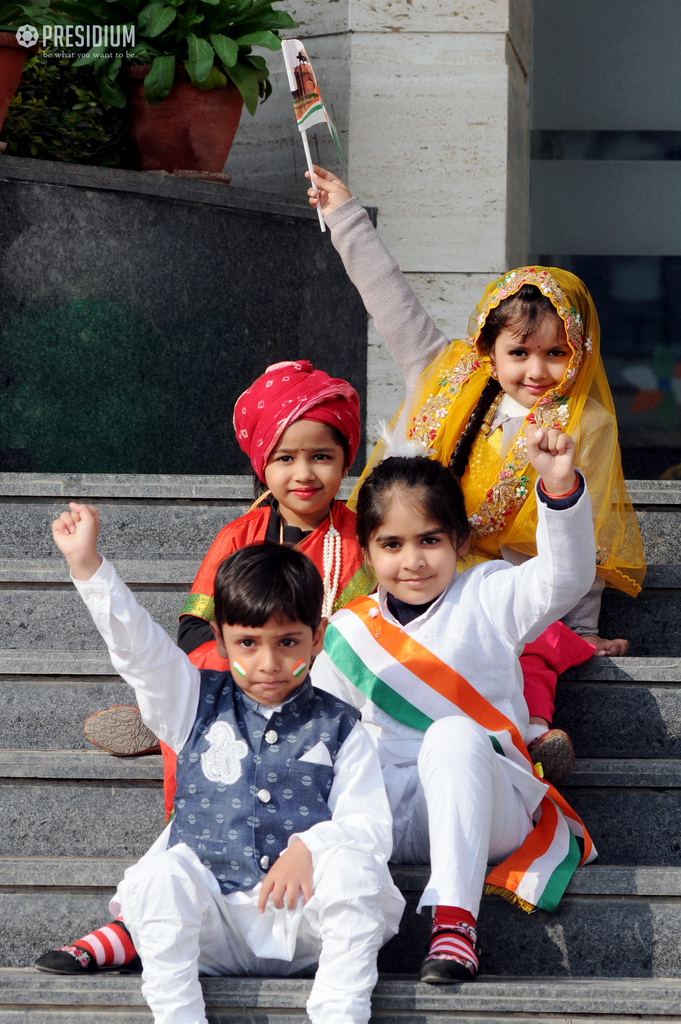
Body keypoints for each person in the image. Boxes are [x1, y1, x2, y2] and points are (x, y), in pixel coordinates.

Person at [305, 165, 646, 784]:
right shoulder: (444, 371)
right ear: (488, 349)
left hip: (502, 589)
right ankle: (230, 712)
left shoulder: (583, 422)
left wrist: (582, 629)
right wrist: (346, 216)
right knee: (327, 627)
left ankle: (531, 739)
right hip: (412, 568)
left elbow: (583, 528)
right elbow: (390, 301)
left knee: (532, 649)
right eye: (519, 352)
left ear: (580, 354)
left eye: (555, 353)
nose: (536, 370)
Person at [38, 360, 378, 977]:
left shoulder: (363, 539)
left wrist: (286, 670)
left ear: (346, 458)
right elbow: (195, 627)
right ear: (262, 464)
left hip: (328, 693)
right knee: (202, 700)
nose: (303, 474)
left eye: (322, 457)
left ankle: (162, 723)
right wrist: (244, 677)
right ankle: (167, 719)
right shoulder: (239, 533)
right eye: (285, 458)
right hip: (233, 689)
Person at [42, 509, 404, 1024]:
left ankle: (339, 1015)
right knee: (164, 874)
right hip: (211, 929)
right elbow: (140, 652)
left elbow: (369, 827)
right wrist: (88, 566)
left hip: (305, 930)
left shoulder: (343, 725)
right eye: (248, 643)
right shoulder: (192, 701)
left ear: (317, 636)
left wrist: (311, 846)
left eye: (287, 643)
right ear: (220, 638)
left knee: (355, 870)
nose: (268, 664)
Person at [311, 432, 597, 985]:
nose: (412, 561)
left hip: (489, 809)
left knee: (454, 737)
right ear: (366, 551)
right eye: (391, 544)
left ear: (461, 541)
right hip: (389, 814)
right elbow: (316, 734)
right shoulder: (349, 632)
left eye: (430, 540)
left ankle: (456, 925)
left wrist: (559, 488)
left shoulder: (489, 595)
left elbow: (566, 577)